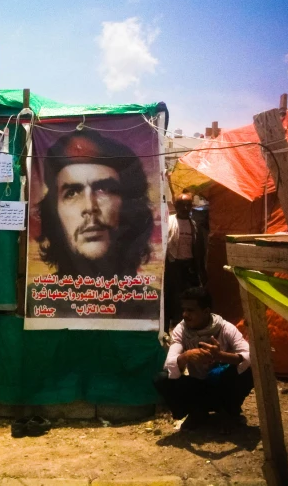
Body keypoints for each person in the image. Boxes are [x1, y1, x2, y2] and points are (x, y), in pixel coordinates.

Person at [37, 128, 154, 279]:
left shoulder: (148, 300)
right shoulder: (39, 300)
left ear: (127, 204)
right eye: (71, 193)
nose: (90, 207)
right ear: (54, 213)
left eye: (103, 189)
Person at [154, 287, 253, 431]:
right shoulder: (181, 330)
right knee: (161, 378)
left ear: (206, 312)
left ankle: (230, 412)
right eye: (184, 310)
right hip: (198, 387)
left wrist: (221, 356)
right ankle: (197, 413)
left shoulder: (225, 328)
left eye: (191, 310)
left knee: (250, 370)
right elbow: (170, 364)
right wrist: (186, 356)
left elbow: (250, 355)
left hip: (225, 387)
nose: (185, 314)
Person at [164, 193, 207, 329]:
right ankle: (167, 328)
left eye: (188, 205)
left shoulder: (194, 226)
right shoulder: (168, 223)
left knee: (187, 300)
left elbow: (199, 250)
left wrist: (201, 271)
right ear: (176, 206)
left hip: (188, 268)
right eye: (182, 205)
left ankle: (184, 328)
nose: (185, 208)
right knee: (170, 298)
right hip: (172, 266)